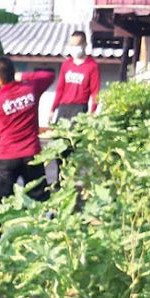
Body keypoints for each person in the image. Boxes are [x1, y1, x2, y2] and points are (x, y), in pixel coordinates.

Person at [0, 56, 55, 211]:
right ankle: (47, 229)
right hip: (32, 155)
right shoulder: (31, 88)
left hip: (8, 157)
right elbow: (49, 75)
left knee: (1, 201)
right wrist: (22, 76)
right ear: (13, 72)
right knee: (40, 196)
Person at [47, 31, 101, 186]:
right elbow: (60, 88)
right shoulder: (66, 64)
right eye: (71, 45)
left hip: (79, 108)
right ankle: (59, 178)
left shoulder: (92, 66)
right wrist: (53, 109)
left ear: (84, 45)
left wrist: (92, 112)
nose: (74, 48)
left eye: (77, 45)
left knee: (73, 146)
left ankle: (71, 180)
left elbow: (95, 92)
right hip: (64, 108)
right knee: (59, 145)